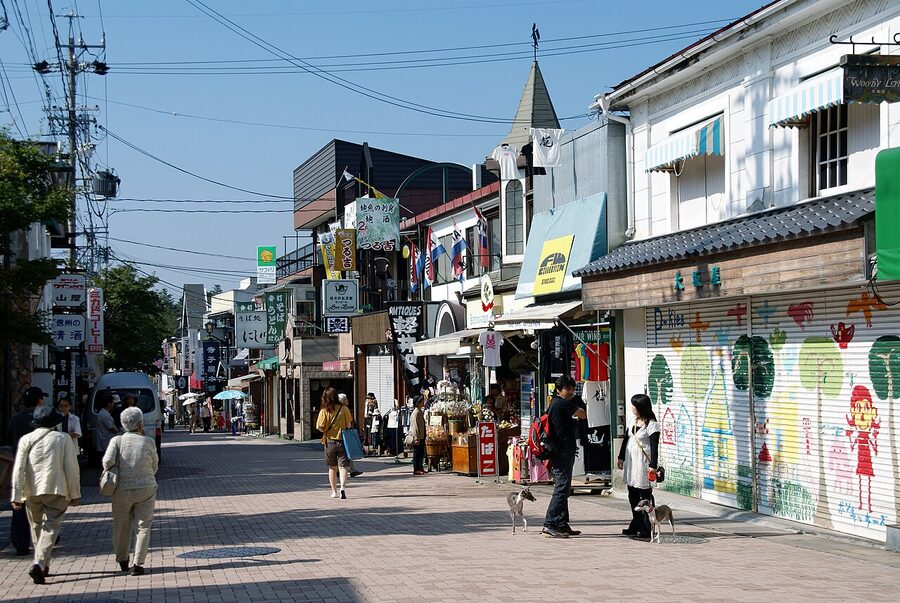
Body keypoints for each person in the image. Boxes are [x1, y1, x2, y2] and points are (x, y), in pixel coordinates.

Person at [11, 404, 81, 584]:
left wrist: (16, 495)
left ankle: (43, 564)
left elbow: (18, 468)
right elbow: (71, 468)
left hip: (31, 490)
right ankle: (40, 563)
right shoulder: (63, 438)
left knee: (36, 526)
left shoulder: (26, 439)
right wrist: (75, 493)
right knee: (51, 526)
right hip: (56, 488)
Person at [104, 407, 159, 576]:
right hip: (146, 488)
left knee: (121, 525)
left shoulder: (117, 441)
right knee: (143, 526)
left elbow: (107, 462)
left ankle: (122, 559)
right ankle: (138, 563)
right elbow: (154, 465)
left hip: (122, 488)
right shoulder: (148, 441)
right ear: (140, 423)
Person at [542, 375, 587, 539]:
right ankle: (550, 523)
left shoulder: (555, 403)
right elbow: (583, 414)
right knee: (562, 488)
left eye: (573, 388)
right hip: (561, 451)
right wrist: (576, 402)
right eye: (568, 388)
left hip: (561, 450)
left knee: (565, 487)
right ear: (559, 389)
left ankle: (561, 523)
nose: (572, 391)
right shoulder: (560, 403)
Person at [5, 387, 47, 556]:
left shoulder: (15, 420)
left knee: (19, 505)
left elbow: (7, 441)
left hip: (20, 468)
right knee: (44, 505)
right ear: (39, 401)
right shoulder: (44, 421)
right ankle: (47, 539)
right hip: (41, 468)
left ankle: (21, 544)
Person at [617, 393, 660, 539]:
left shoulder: (652, 424)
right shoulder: (632, 420)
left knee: (645, 496)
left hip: (643, 463)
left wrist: (653, 465)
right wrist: (621, 457)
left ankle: (648, 526)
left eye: (634, 405)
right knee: (632, 494)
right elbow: (626, 439)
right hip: (631, 462)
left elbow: (654, 447)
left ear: (641, 407)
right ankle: (635, 523)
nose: (632, 408)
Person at [315, 387, 353, 499]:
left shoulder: (324, 411)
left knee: (332, 467)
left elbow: (318, 426)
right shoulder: (344, 409)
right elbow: (349, 425)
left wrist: (326, 431)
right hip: (343, 441)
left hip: (329, 441)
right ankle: (342, 488)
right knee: (343, 466)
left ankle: (334, 491)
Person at [338, 393, 363, 478]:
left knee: (338, 454)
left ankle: (339, 470)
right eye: (346, 399)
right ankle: (351, 470)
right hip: (344, 434)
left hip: (332, 436)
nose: (348, 400)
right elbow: (348, 424)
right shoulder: (345, 409)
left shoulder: (332, 408)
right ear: (343, 401)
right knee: (348, 452)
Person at [408, 396, 427, 476]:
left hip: (421, 435)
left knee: (421, 452)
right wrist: (416, 438)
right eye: (422, 401)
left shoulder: (419, 411)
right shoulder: (415, 413)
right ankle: (416, 469)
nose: (423, 402)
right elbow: (415, 426)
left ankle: (420, 467)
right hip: (418, 436)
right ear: (418, 403)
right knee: (417, 453)